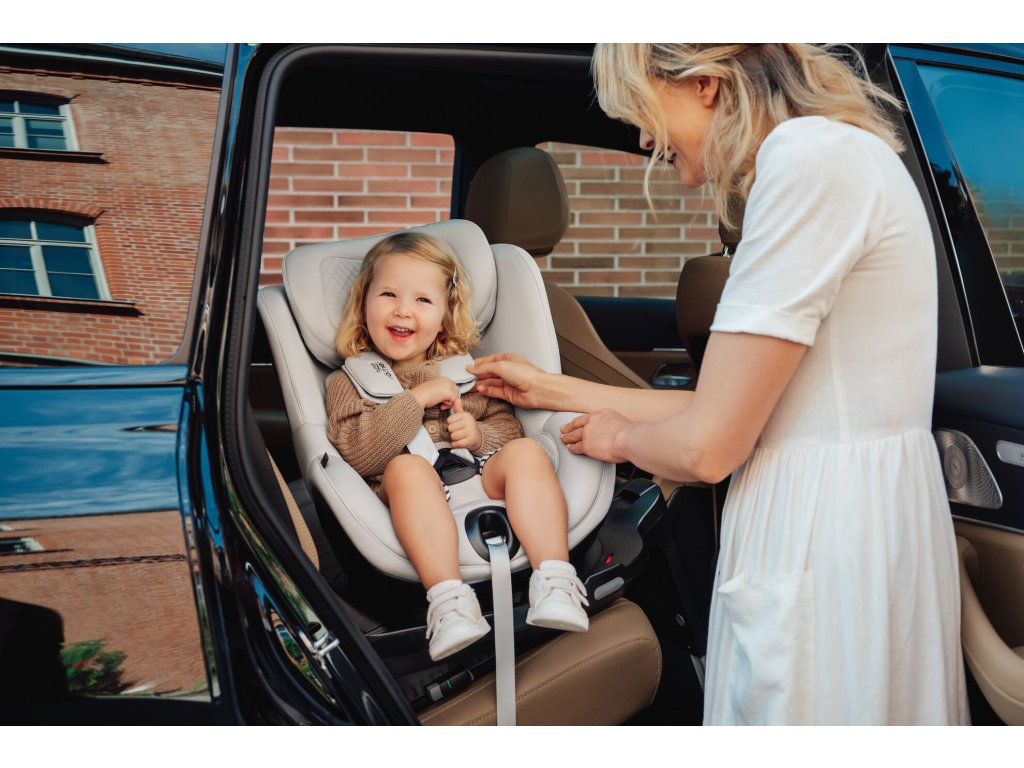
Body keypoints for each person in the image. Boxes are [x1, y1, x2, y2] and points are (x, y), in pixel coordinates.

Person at [471, 44, 969, 724]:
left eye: (642, 111)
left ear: (706, 83)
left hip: (821, 534)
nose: (644, 139)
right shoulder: (838, 155)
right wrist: (551, 391)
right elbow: (741, 407)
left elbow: (708, 446)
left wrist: (620, 440)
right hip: (855, 522)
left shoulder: (805, 163)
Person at [325, 231, 589, 662]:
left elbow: (509, 431)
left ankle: (555, 580)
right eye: (388, 294)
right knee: (407, 469)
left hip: (479, 476)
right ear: (363, 304)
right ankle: (450, 603)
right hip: (408, 495)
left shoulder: (465, 372)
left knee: (527, 453)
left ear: (445, 315)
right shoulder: (347, 383)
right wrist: (416, 400)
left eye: (422, 300)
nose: (403, 309)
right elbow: (357, 452)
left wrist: (480, 436)